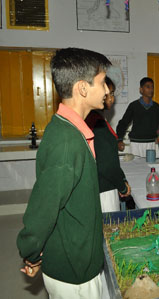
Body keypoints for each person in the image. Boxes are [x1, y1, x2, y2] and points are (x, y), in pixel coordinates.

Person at [16, 48, 112, 298]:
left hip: (81, 256)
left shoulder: (71, 130)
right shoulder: (67, 142)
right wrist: (31, 251)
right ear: (82, 88)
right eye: (102, 83)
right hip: (74, 269)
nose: (107, 91)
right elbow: (43, 207)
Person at [85, 75, 131, 212]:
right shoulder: (97, 124)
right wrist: (122, 186)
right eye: (109, 94)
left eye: (112, 94)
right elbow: (107, 165)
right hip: (104, 189)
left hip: (99, 186)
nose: (112, 98)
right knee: (110, 229)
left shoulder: (94, 119)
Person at [116, 77, 159, 157]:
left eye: (152, 87)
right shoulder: (134, 106)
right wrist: (120, 139)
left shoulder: (156, 107)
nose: (151, 89)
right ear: (141, 90)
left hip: (151, 144)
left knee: (151, 167)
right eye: (148, 87)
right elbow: (123, 123)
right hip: (136, 144)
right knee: (136, 167)